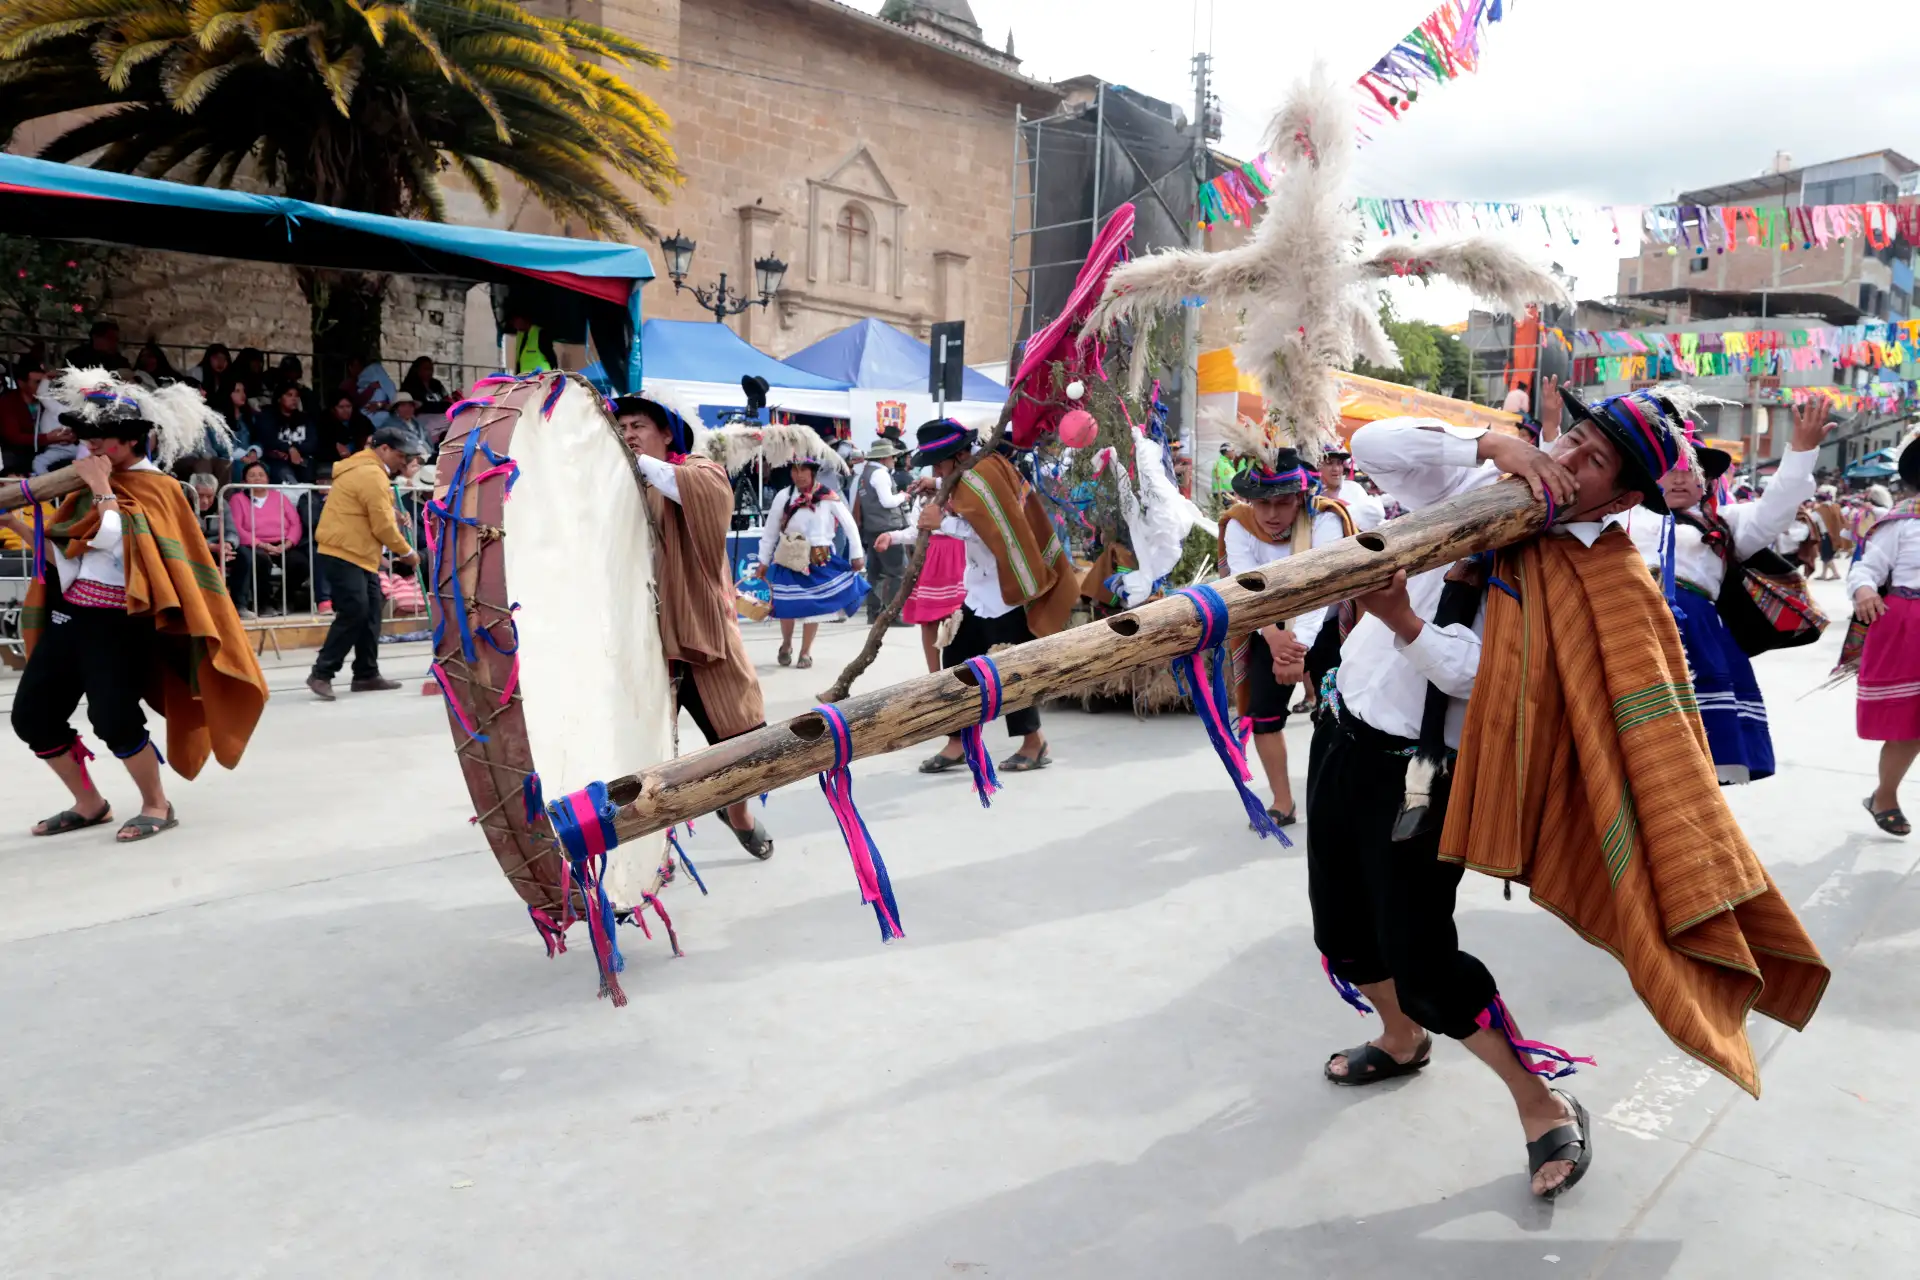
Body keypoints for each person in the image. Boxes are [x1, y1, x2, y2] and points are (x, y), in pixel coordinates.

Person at [1303, 385, 1827, 1201]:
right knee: (1339, 929)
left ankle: (1539, 1100)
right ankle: (1401, 1040)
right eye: (1573, 439)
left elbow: (1506, 690)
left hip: (1423, 775)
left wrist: (1407, 625)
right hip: (1342, 733)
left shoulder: (1604, 573)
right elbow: (1372, 449)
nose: (1570, 460)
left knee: (1421, 956)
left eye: (1594, 462)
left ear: (1620, 497)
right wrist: (1490, 446)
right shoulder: (1484, 482)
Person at [3, 372, 267, 841]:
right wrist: (18, 523)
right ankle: (89, 803)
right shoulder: (88, 487)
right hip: (72, 616)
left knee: (113, 717)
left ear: (130, 440)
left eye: (98, 439)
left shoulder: (160, 490)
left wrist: (102, 488)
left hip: (122, 623)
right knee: (32, 716)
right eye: (84, 440)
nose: (88, 449)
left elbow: (119, 543)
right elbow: (66, 558)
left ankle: (156, 803)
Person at [1621, 399, 1827, 784]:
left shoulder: (1726, 522)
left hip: (1695, 636)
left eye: (1693, 470)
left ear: (1707, 482)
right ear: (1649, 475)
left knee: (1691, 749)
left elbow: (1776, 509)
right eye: (1671, 468)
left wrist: (1801, 452)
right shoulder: (1622, 516)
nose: (1682, 478)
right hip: (1625, 624)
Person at [614, 396, 774, 858]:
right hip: (644, 645)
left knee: (746, 740)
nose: (628, 432)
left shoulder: (697, 470)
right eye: (621, 425)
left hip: (702, 637)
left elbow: (703, 492)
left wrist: (638, 462)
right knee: (639, 755)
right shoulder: (628, 484)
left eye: (638, 424)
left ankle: (737, 814)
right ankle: (636, 858)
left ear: (667, 433)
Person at [911, 418, 1080, 776]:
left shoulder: (979, 476)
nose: (935, 469)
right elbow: (977, 514)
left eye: (938, 462)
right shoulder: (968, 473)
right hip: (980, 592)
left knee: (1010, 669)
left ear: (957, 455)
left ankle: (1034, 743)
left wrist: (941, 523)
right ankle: (959, 741)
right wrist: (937, 484)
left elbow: (996, 531)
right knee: (958, 661)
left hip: (1007, 591)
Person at [1214, 448, 1353, 825]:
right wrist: (1274, 637)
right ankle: (1283, 800)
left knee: (1336, 715)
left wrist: (1294, 650)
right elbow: (1245, 585)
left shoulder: (1325, 518)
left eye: (1282, 503)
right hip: (1269, 631)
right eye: (1262, 503)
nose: (1271, 514)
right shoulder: (1239, 524)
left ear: (1300, 498)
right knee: (1263, 717)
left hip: (1321, 631)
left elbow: (1322, 586)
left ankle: (1332, 800)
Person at [306, 425, 427, 699]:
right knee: (355, 611)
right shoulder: (371, 473)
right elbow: (382, 525)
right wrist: (408, 552)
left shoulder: (367, 469)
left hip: (360, 552)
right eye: (400, 455)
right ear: (383, 449)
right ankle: (322, 672)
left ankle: (366, 673)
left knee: (373, 608)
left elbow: (371, 505)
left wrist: (393, 511)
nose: (404, 461)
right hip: (345, 551)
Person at [1851, 431, 1920, 837]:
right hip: (1907, 627)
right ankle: (1885, 796)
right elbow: (1866, 568)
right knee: (1909, 728)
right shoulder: (1902, 523)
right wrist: (1862, 590)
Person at [757, 454, 865, 669]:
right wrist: (763, 561)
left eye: (803, 470)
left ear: (813, 472)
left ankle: (806, 652)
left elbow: (849, 524)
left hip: (819, 558)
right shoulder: (784, 496)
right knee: (787, 605)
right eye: (794, 470)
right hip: (789, 556)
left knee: (813, 606)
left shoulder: (827, 496)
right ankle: (786, 644)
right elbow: (770, 531)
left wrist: (857, 554)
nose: (799, 475)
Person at [226, 459, 307, 618]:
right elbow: (238, 528)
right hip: (254, 544)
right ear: (244, 481)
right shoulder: (238, 499)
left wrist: (288, 543)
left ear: (268, 479)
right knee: (261, 561)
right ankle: (263, 604)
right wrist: (263, 545)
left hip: (282, 542)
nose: (257, 478)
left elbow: (295, 523)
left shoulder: (279, 497)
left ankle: (282, 599)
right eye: (252, 475)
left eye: (261, 475)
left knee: (301, 563)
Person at [850, 438, 911, 623]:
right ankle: (894, 615)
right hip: (888, 527)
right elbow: (887, 501)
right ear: (885, 458)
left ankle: (873, 613)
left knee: (875, 573)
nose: (894, 459)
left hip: (872, 527)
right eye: (892, 456)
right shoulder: (881, 474)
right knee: (897, 572)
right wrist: (902, 496)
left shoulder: (864, 475)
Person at [258, 382, 319, 485]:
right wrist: (289, 449)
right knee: (286, 475)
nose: (294, 399)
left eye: (296, 396)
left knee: (308, 476)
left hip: (302, 460)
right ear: (279, 398)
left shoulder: (305, 419)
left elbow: (313, 443)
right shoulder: (269, 417)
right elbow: (268, 440)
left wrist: (293, 449)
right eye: (289, 395)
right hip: (278, 462)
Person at [1317, 447, 1385, 531]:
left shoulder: (1352, 488)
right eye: (1329, 463)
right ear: (1317, 466)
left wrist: (1339, 510)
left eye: (1339, 463)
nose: (1336, 469)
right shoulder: (1311, 496)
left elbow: (1375, 513)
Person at [0, 360, 45, 475]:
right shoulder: (8, 403)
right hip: (18, 455)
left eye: (45, 382)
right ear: (21, 383)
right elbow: (14, 437)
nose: (43, 387)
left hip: (47, 450)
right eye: (38, 382)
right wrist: (48, 438)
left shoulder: (48, 401)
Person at [322, 391, 376, 470]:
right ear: (333, 409)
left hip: (360, 459)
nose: (346, 410)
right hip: (334, 462)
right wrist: (334, 446)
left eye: (348, 406)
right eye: (341, 407)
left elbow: (373, 435)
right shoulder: (324, 422)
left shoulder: (361, 419)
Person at [62, 320, 129, 372]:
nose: (114, 343)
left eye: (116, 340)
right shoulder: (75, 356)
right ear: (96, 337)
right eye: (110, 338)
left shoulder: (120, 361)